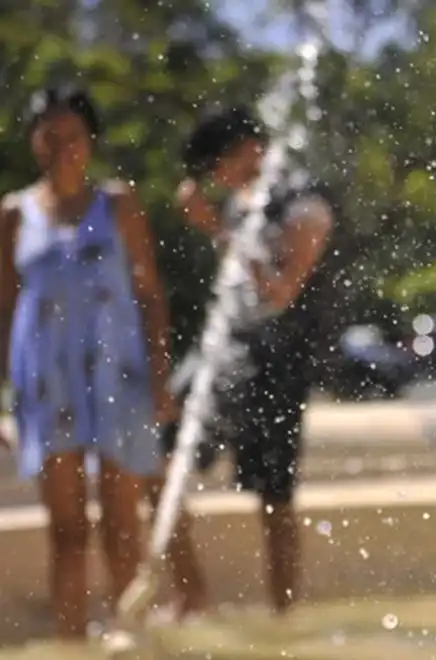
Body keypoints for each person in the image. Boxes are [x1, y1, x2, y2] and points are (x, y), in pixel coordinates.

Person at [0, 85, 175, 639]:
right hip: (47, 385)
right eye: (48, 136)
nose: (61, 147)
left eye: (71, 136)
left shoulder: (120, 205)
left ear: (90, 141)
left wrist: (162, 377)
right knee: (67, 529)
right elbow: (4, 307)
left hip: (119, 378)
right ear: (33, 142)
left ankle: (131, 637)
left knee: (123, 523)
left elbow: (150, 296)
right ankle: (71, 643)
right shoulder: (12, 214)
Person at [150, 105, 334, 616]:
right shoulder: (239, 206)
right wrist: (220, 225)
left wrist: (217, 230)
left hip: (278, 365)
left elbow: (280, 293)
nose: (215, 180)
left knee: (274, 499)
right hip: (225, 354)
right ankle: (191, 594)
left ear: (247, 151)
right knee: (157, 453)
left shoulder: (305, 205)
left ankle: (284, 618)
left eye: (215, 168)